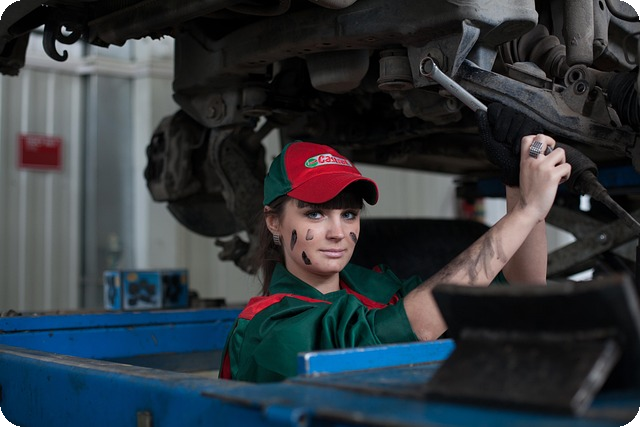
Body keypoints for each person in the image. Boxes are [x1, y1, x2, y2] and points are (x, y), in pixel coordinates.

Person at [219, 105, 571, 382]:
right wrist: (526, 210)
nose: (338, 232)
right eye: (315, 214)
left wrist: (516, 183)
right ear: (274, 221)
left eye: (349, 214)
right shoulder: (268, 327)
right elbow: (404, 331)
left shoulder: (372, 287)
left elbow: (521, 291)